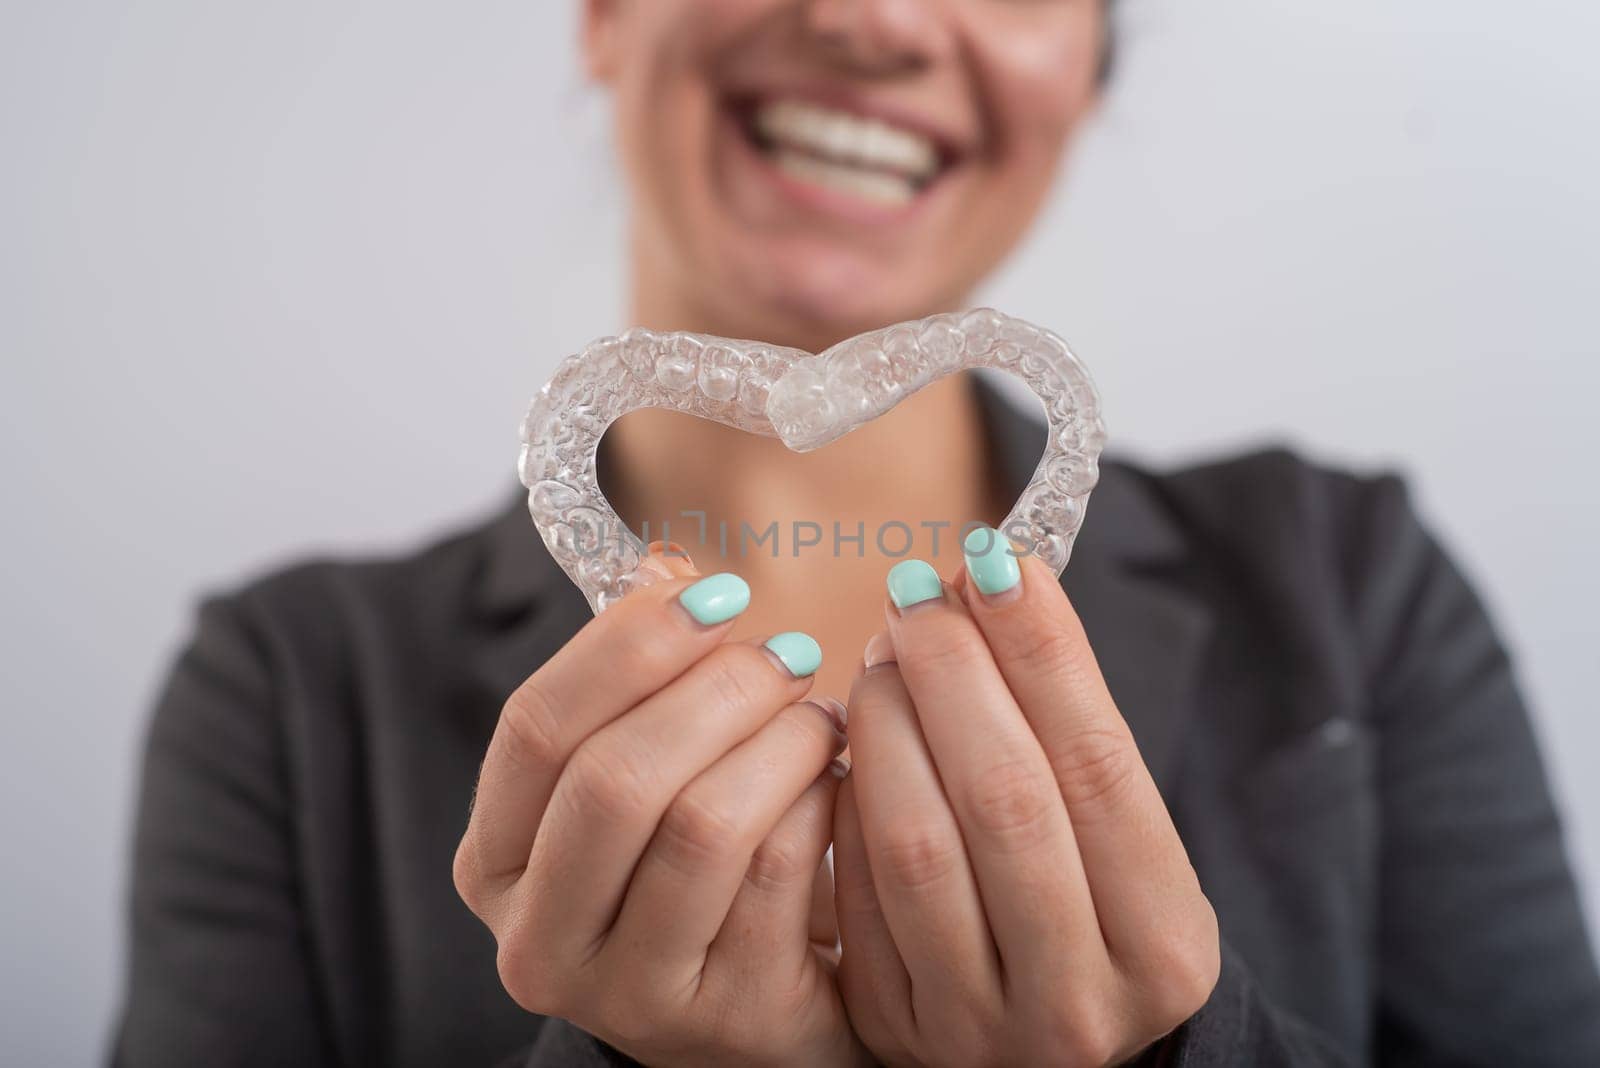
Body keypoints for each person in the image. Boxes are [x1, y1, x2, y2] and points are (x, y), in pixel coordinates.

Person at [112, 2, 1600, 1065]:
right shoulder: (288, 687)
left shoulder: (1350, 581)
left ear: (1085, 71)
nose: (875, 17)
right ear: (603, 18)